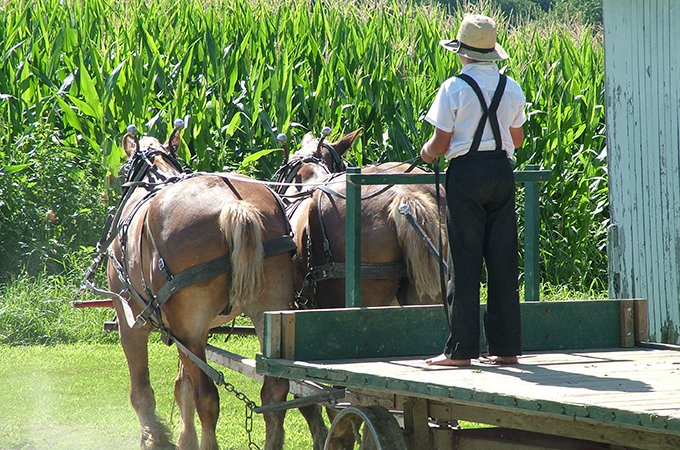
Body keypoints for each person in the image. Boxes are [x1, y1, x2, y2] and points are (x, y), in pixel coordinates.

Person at [420, 14, 526, 367]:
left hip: (466, 175)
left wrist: (425, 154)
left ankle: (461, 351)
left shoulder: (453, 88)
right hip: (501, 172)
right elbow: (518, 139)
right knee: (502, 261)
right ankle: (506, 348)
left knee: (464, 263)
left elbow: (441, 143)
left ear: (462, 53)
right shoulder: (511, 88)